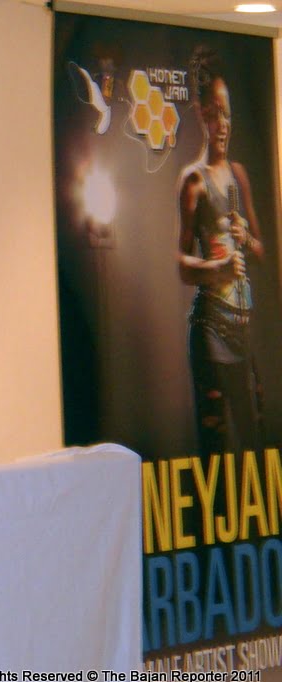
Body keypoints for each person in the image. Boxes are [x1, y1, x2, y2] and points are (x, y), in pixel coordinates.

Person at [177, 47, 264, 460]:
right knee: (216, 444)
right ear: (200, 115)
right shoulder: (193, 182)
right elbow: (182, 265)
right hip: (210, 329)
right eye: (213, 114)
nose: (222, 124)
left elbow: (263, 253)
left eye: (227, 113)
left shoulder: (240, 177)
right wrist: (219, 268)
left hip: (243, 330)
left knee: (254, 439)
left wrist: (245, 239)